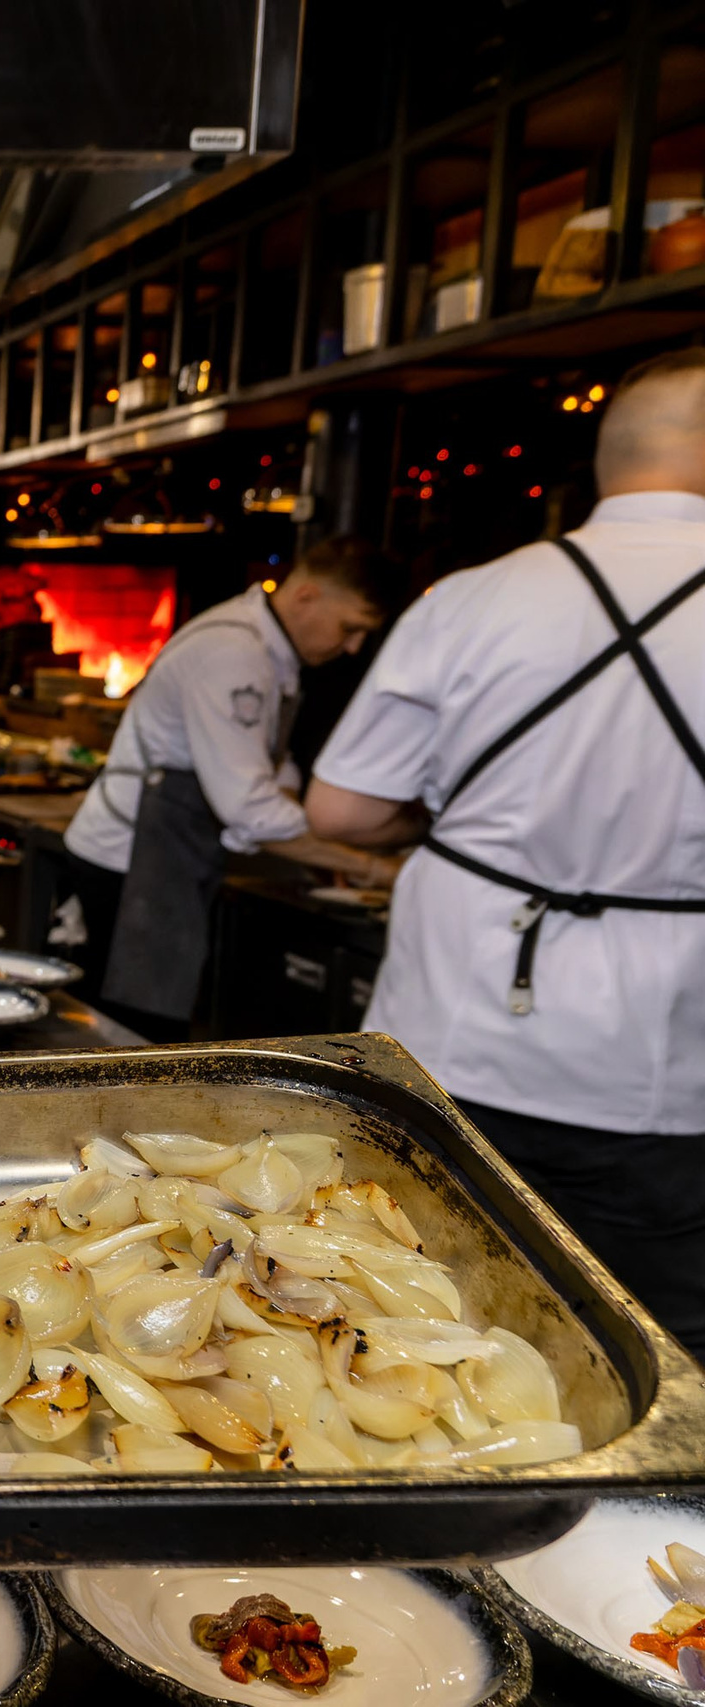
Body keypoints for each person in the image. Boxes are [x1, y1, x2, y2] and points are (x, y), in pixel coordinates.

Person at [307, 346, 705, 1357]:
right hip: (656, 1070)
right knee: (646, 1342)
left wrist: (454, 824)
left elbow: (345, 810)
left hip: (447, 1034)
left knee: (410, 1314)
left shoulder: (472, 598)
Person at [60, 537, 404, 1033]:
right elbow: (250, 807)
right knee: (133, 1032)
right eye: (350, 628)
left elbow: (272, 773)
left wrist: (323, 848)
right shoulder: (233, 653)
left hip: (166, 855)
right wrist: (372, 866)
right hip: (131, 862)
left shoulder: (270, 652)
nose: (352, 647)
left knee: (152, 1029)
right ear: (307, 595)